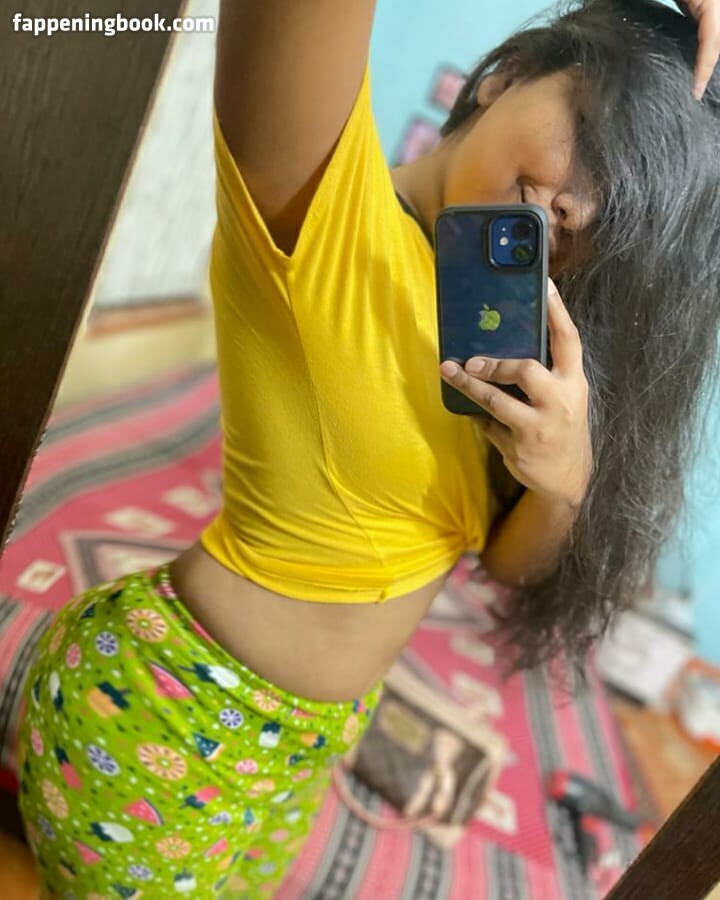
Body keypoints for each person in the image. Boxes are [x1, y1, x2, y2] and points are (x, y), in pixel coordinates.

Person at [9, 0, 720, 896]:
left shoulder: (507, 340)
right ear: (504, 77)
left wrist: (563, 482)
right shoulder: (322, 210)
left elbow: (504, 568)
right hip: (178, 711)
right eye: (599, 139)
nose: (584, 206)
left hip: (308, 745)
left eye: (626, 212)